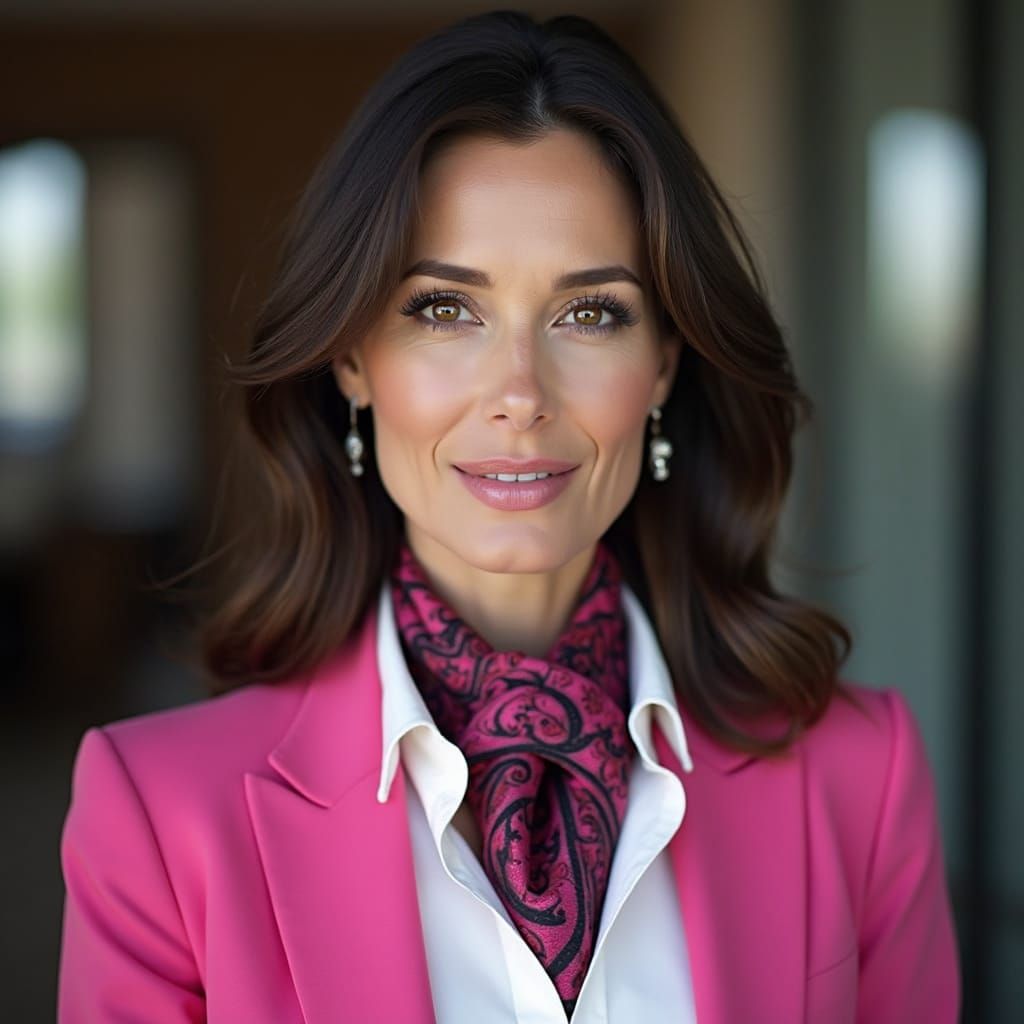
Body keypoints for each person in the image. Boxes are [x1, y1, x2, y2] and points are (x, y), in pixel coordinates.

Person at [56, 10, 960, 1023]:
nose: (519, 391)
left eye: (592, 312)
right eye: (444, 308)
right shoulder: (160, 813)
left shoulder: (860, 777)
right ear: (352, 357)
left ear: (663, 363)